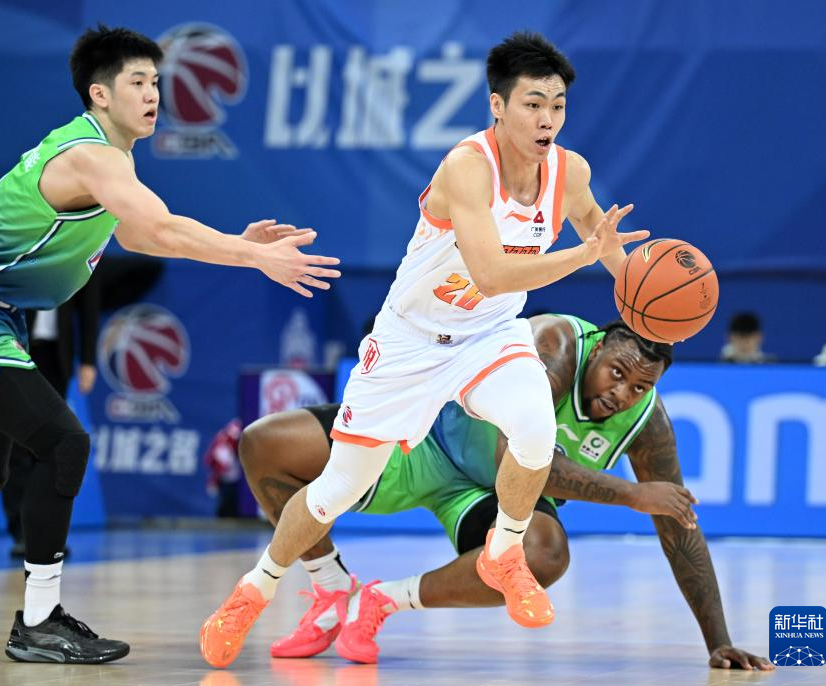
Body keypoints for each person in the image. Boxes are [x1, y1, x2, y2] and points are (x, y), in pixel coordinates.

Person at [0, 25, 339, 664]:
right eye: (137, 82)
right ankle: (39, 622)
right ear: (100, 93)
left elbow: (140, 238)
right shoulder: (93, 155)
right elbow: (160, 228)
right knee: (63, 443)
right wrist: (252, 256)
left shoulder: (112, 158)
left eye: (156, 82)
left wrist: (239, 244)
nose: (153, 94)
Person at [201, 31, 648, 668]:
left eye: (557, 105)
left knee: (533, 426)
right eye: (533, 104)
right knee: (338, 488)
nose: (547, 119)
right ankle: (255, 589)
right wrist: (582, 255)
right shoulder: (467, 167)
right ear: (498, 106)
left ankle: (503, 552)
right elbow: (491, 273)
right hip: (411, 341)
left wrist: (643, 293)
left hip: (489, 334)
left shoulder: (569, 172)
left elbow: (604, 243)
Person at [240, 315, 773, 670]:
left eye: (640, 387)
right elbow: (517, 453)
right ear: (596, 351)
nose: (622, 393)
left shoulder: (647, 424)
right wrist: (633, 495)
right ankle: (331, 586)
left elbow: (680, 528)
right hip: (423, 440)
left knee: (545, 554)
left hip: (489, 497)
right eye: (617, 374)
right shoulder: (554, 343)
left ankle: (378, 600)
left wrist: (719, 641)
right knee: (265, 444)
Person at [1, 277, 100, 558]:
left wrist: (88, 360)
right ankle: (21, 531)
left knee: (54, 444)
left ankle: (47, 533)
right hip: (18, 350)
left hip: (58, 355)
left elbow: (89, 308)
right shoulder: (25, 250)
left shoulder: (83, 253)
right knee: (17, 444)